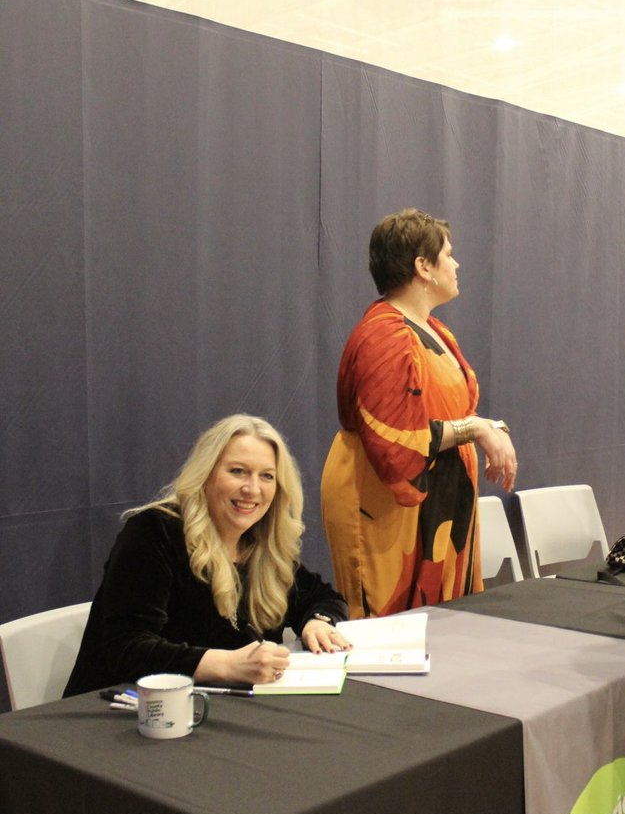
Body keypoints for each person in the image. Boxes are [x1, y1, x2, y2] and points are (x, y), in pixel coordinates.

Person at [321, 209, 517, 618]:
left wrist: (487, 428)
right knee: (395, 634)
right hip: (391, 507)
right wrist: (474, 429)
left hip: (440, 503)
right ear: (423, 266)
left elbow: (452, 411)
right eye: (449, 254)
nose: (457, 264)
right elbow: (395, 439)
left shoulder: (433, 329)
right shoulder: (385, 334)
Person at [64, 415, 349, 696]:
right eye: (237, 471)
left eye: (266, 476)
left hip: (216, 709)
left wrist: (317, 622)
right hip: (123, 712)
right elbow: (127, 649)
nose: (252, 489)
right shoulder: (154, 531)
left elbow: (323, 597)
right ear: (207, 474)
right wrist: (227, 664)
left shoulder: (259, 546)